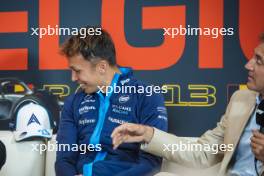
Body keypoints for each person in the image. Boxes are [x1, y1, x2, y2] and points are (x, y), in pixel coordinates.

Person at [111, 32, 264, 176]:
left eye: (258, 60)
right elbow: (204, 152)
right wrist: (148, 134)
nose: (248, 65)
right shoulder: (240, 99)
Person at [55, 26, 168, 176]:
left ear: (102, 67)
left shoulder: (146, 95)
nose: (73, 78)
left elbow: (150, 164)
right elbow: (64, 159)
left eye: (77, 70)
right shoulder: (74, 101)